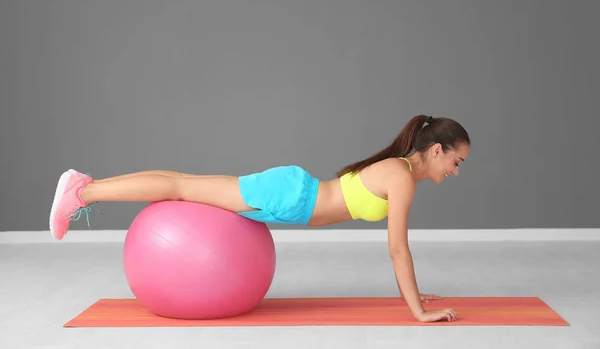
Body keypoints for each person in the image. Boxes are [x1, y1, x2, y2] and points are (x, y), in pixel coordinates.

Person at [49, 114, 470, 323]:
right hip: (288, 198)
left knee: (182, 182)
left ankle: (84, 188)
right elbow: (398, 249)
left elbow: (397, 251)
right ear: (437, 150)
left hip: (291, 192)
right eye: (457, 161)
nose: (455, 171)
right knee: (179, 186)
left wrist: (413, 297)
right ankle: (83, 191)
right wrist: (417, 311)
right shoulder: (401, 177)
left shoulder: (398, 170)